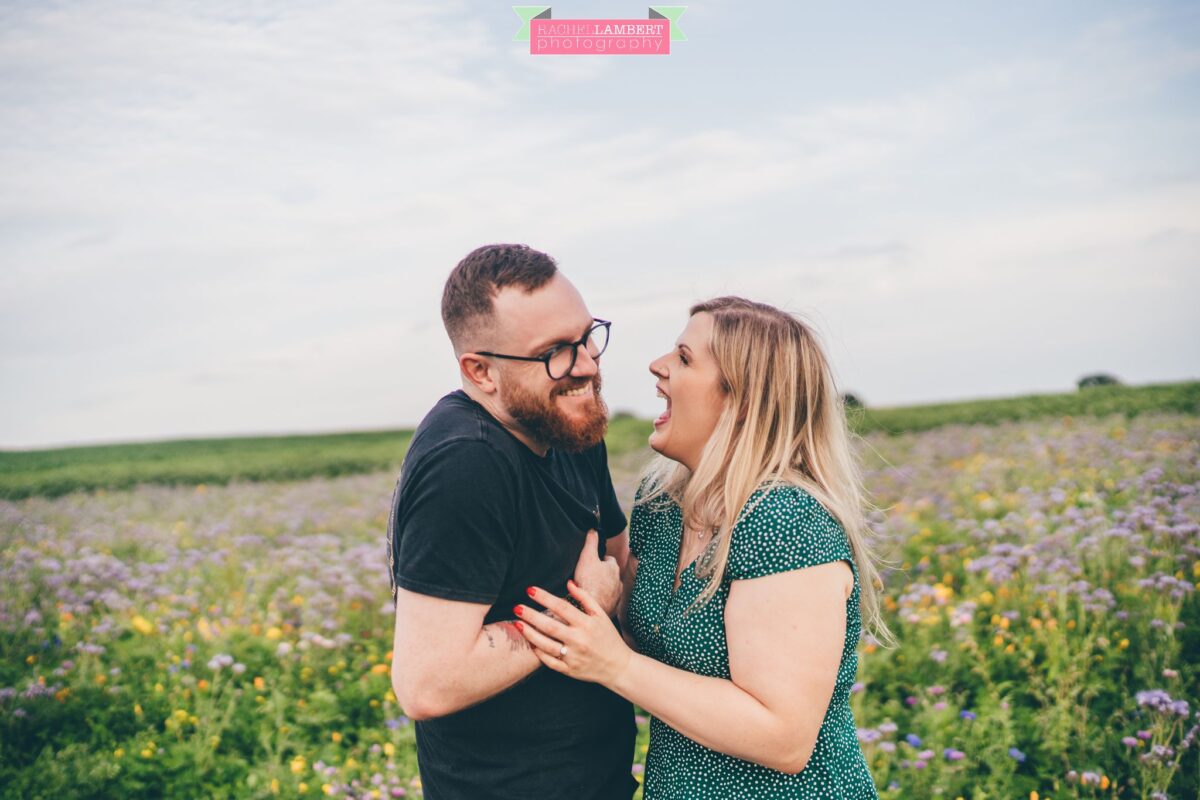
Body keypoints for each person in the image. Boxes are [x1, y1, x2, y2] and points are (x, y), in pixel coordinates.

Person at [514, 296, 893, 798]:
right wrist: (604, 611)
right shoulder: (662, 506)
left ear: (741, 400)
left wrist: (615, 665)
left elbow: (784, 737)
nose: (658, 366)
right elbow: (655, 656)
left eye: (685, 359)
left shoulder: (784, 520)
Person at [386, 244, 637, 799]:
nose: (588, 365)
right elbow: (427, 684)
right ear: (480, 371)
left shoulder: (568, 423)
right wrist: (579, 610)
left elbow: (619, 569)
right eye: (554, 352)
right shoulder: (467, 463)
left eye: (587, 336)